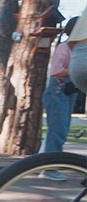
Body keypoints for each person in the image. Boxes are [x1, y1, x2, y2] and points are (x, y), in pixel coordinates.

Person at [40, 17, 80, 181]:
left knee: (60, 130)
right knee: (58, 131)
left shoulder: (77, 49)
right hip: (58, 92)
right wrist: (76, 70)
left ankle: (45, 162)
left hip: (68, 93)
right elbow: (56, 70)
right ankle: (49, 168)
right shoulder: (64, 47)